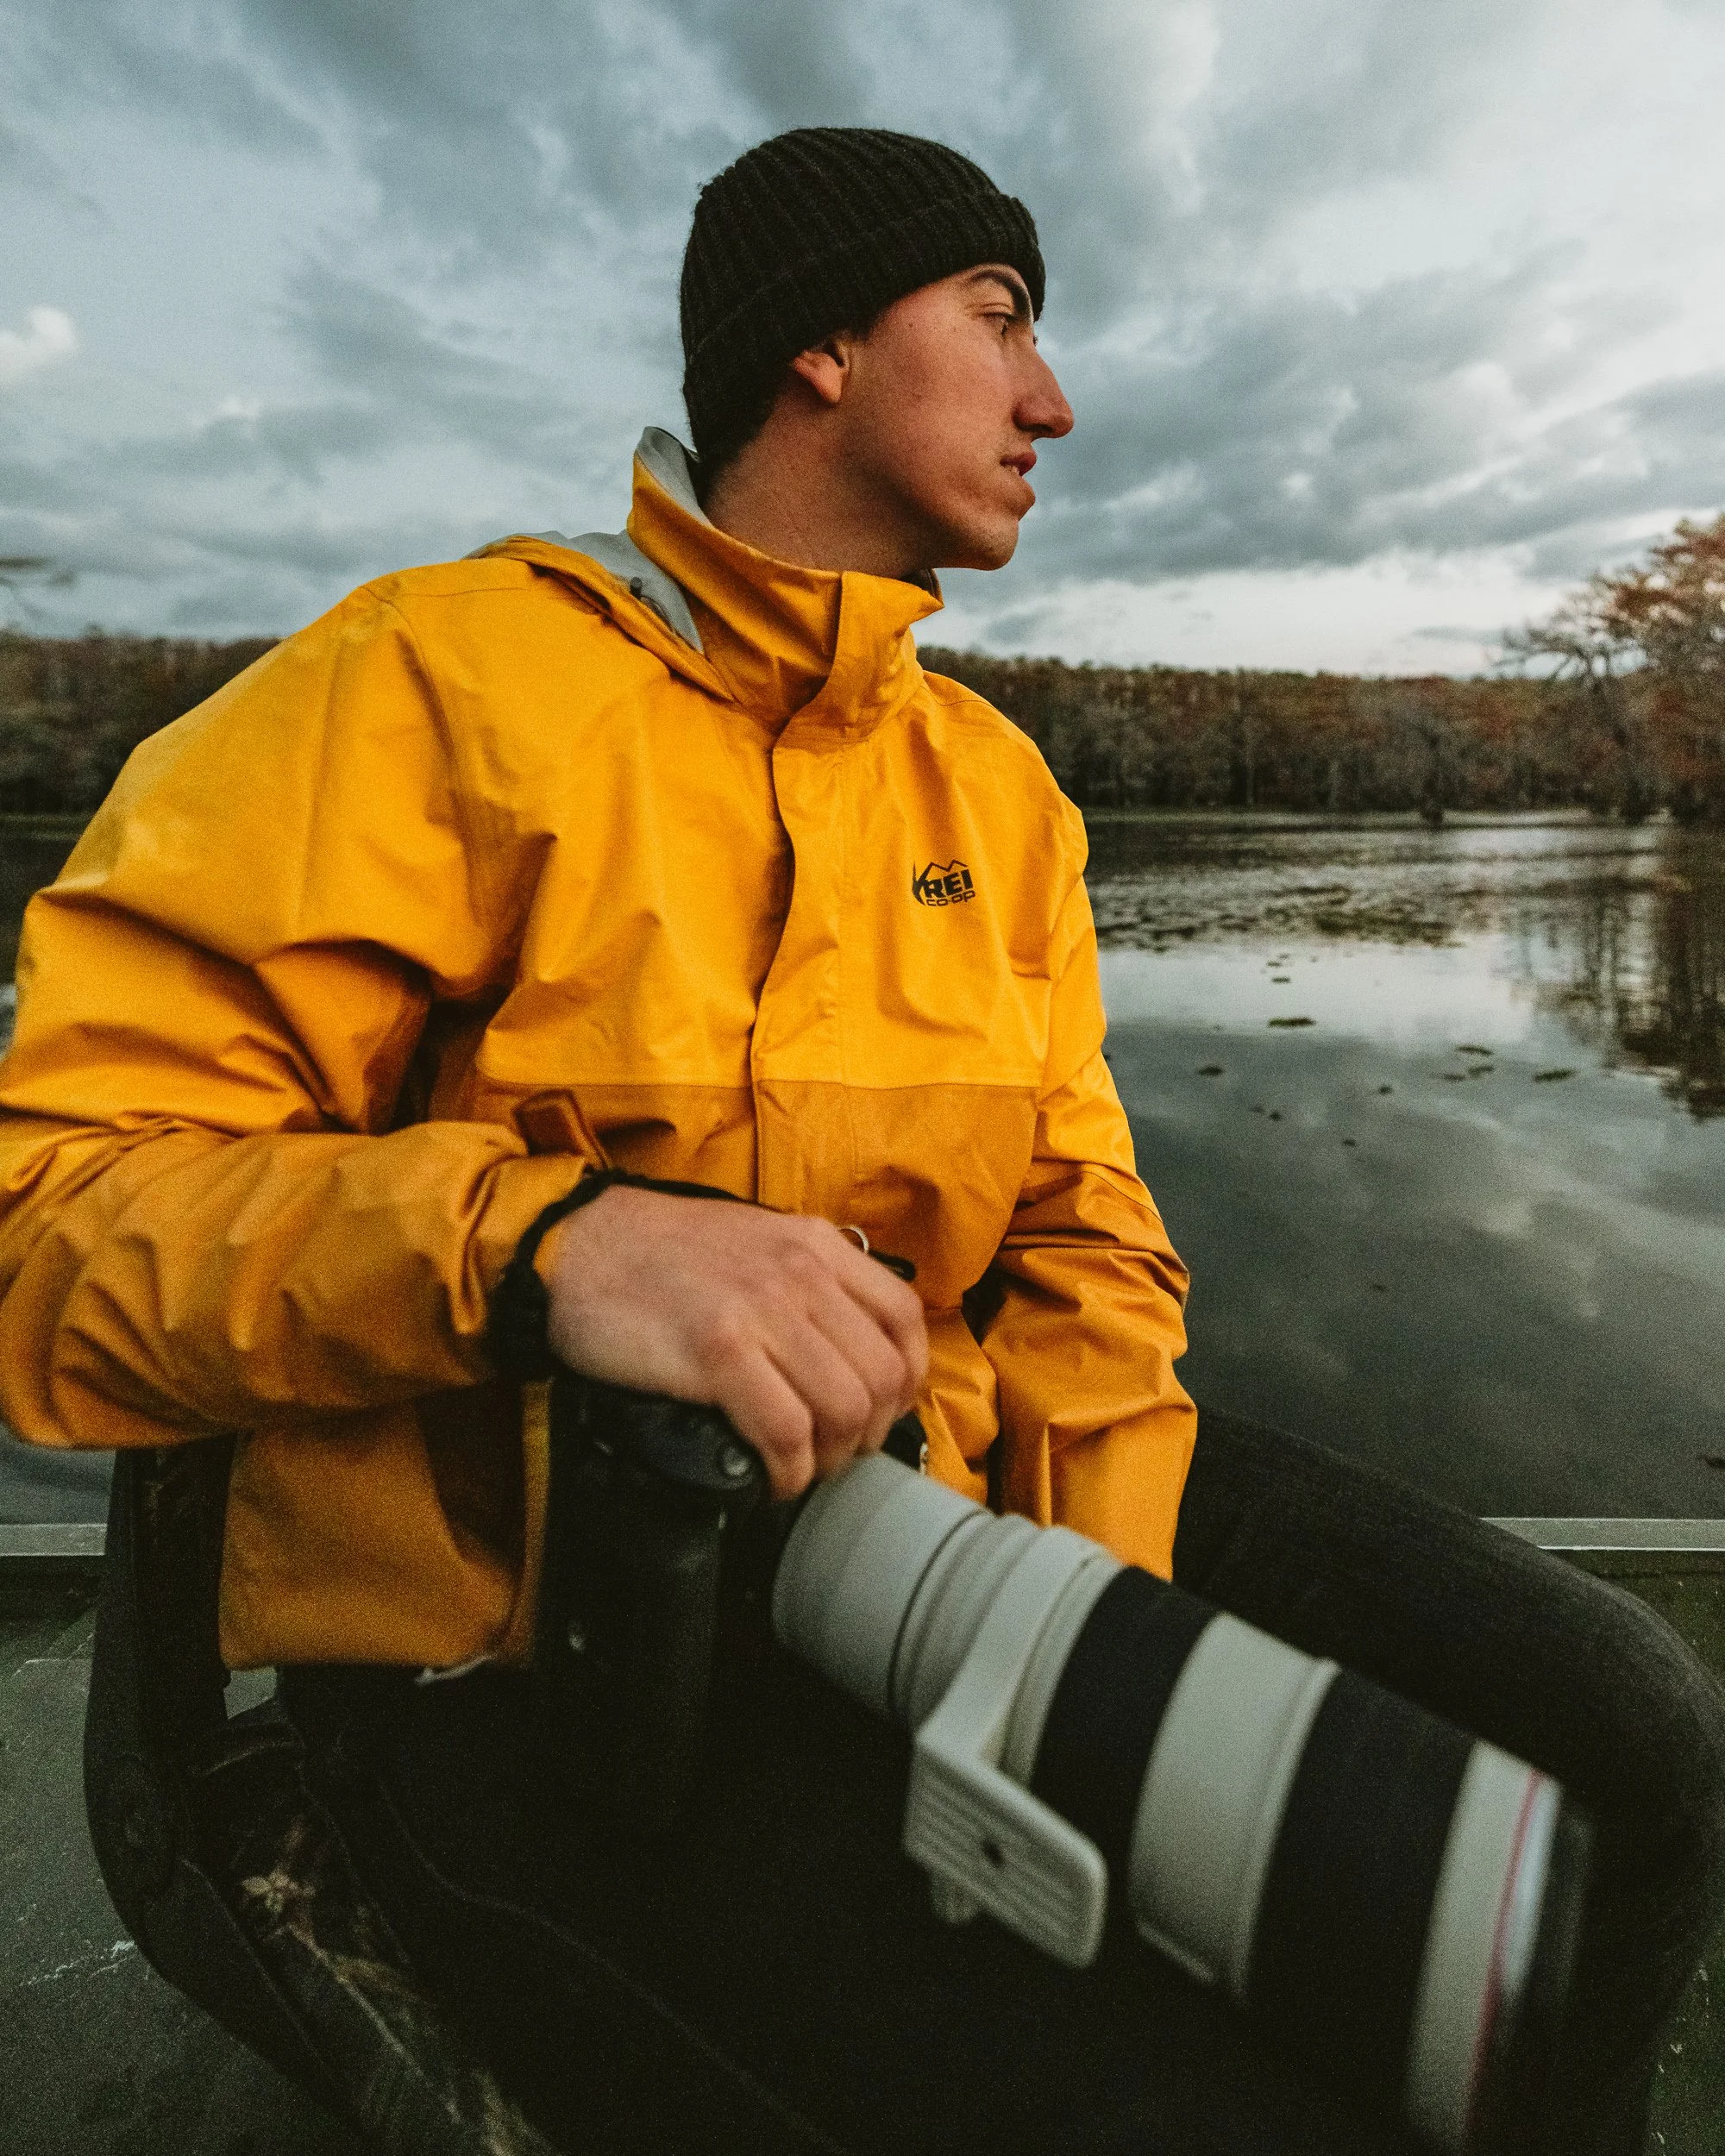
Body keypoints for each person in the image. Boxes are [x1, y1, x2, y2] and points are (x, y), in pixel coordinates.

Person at [0, 128, 1719, 2156]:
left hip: (941, 1545)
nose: (1051, 400)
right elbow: (55, 1219)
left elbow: (1084, 1241)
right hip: (506, 1679)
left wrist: (1079, 1652)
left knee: (1635, 1742)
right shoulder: (427, 681)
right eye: (997, 320)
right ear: (816, 342)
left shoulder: (996, 790)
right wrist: (539, 1239)